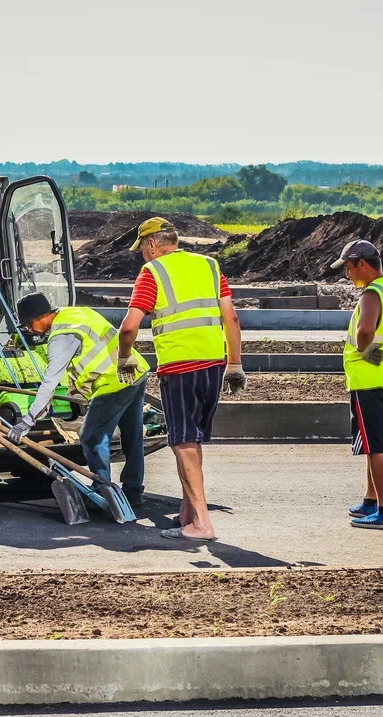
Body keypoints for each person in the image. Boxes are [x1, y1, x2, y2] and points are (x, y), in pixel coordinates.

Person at [116, 217, 244, 542]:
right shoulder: (210, 266)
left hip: (179, 366)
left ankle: (201, 523)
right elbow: (230, 315)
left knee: (183, 443)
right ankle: (188, 515)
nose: (143, 256)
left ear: (151, 245)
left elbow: (129, 326)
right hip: (214, 363)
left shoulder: (153, 272)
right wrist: (235, 364)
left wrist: (124, 356)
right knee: (192, 439)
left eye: (143, 250)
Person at [8, 293, 150, 507]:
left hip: (111, 381)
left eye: (28, 324)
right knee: (132, 434)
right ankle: (132, 491)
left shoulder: (61, 336)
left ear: (40, 317)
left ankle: (102, 491)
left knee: (92, 436)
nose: (28, 330)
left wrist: (28, 421)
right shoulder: (76, 313)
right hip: (131, 371)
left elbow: (50, 381)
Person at [333, 240, 383, 530]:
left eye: (349, 268)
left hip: (370, 380)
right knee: (373, 444)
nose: (347, 274)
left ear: (362, 264)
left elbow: (366, 329)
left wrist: (364, 351)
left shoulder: (370, 294)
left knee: (377, 447)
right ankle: (371, 499)